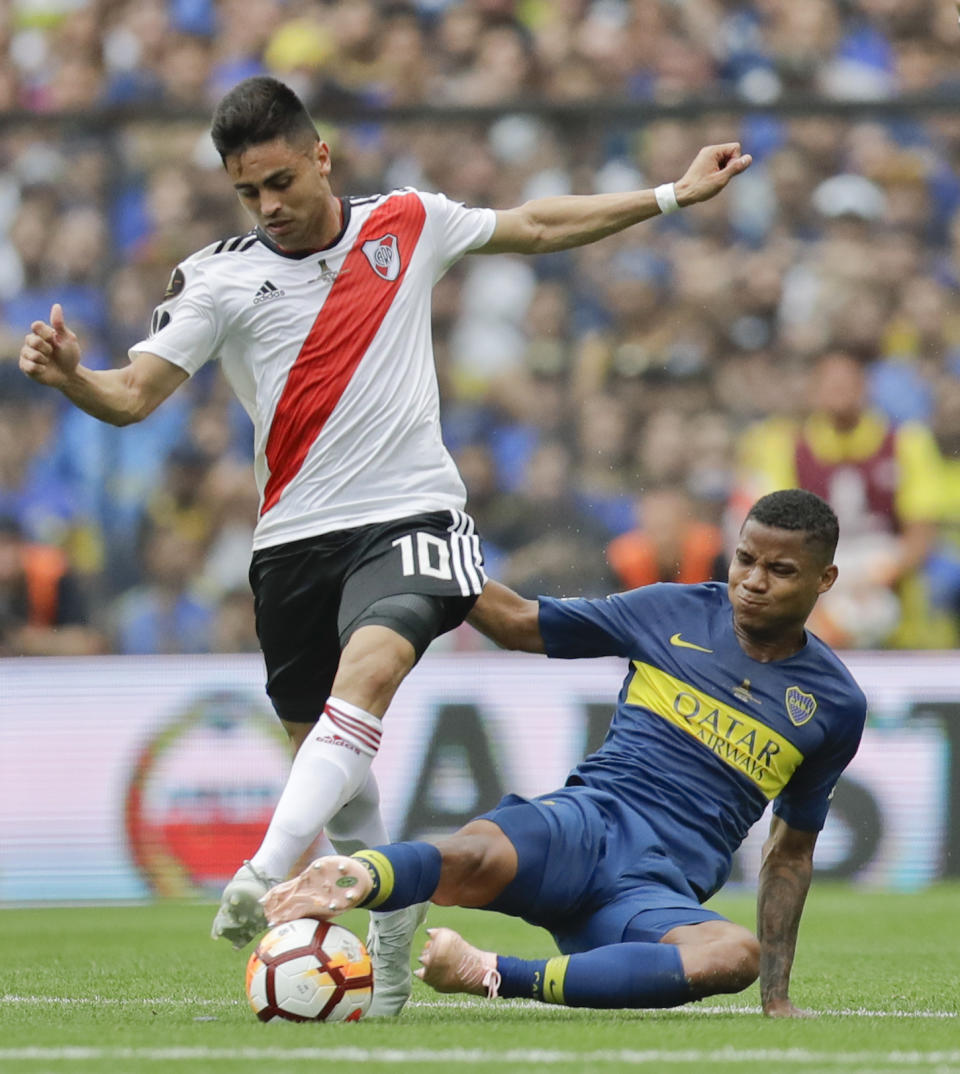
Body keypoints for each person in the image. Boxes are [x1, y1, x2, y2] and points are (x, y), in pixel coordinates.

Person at [18, 75, 752, 1016]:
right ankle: (390, 918)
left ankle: (265, 873)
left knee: (367, 675)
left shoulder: (407, 221)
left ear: (321, 155)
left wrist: (668, 196)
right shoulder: (220, 277)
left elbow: (532, 224)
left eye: (281, 181)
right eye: (249, 193)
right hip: (291, 543)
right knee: (330, 758)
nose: (270, 206)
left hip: (415, 517)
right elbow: (131, 396)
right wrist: (75, 376)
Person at [263, 490, 866, 1017]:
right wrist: (432, 558)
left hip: (651, 892)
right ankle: (355, 876)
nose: (753, 581)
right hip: (582, 827)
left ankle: (492, 973)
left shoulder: (834, 703)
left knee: (734, 955)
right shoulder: (671, 611)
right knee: (470, 852)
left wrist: (777, 996)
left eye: (780, 570)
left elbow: (788, 856)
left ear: (825, 579)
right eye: (745, 559)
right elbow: (519, 622)